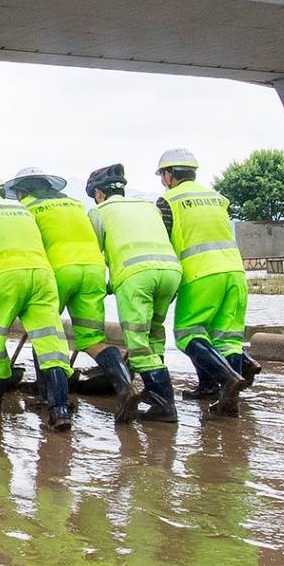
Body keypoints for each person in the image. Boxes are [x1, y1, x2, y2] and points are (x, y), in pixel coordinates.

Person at [7, 167, 138, 420]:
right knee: (91, 338)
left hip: (57, 271)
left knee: (44, 332)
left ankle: (48, 395)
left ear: (23, 192)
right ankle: (124, 385)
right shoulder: (75, 205)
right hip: (93, 271)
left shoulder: (27, 210)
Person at [0, 171, 74, 431]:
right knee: (50, 342)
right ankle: (59, 409)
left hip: (6, 279)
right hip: (43, 277)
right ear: (1, 192)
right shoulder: (25, 211)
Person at [156, 148, 254, 417]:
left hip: (200, 274)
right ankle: (219, 392)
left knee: (188, 333)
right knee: (228, 338)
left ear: (168, 175)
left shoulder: (167, 201)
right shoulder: (218, 198)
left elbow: (163, 244)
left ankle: (226, 380)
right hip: (235, 272)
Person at [85, 164, 183, 423]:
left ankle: (165, 405)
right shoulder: (147, 206)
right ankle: (154, 393)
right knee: (155, 333)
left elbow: (95, 255)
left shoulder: (98, 211)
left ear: (98, 193)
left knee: (137, 345)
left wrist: (105, 285)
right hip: (171, 272)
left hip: (135, 277)